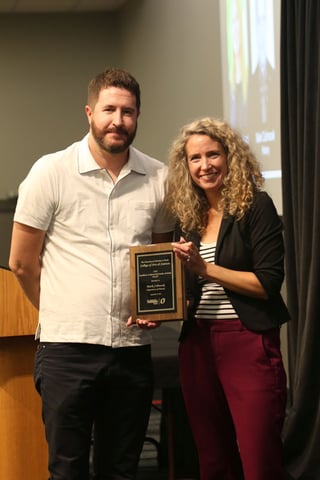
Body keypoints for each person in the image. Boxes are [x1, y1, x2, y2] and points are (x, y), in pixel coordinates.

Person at [9, 67, 174, 480]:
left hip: (132, 348)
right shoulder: (51, 171)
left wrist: (156, 303)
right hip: (68, 351)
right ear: (89, 112)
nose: (118, 120)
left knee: (122, 469)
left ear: (138, 116)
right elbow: (22, 263)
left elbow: (157, 258)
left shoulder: (159, 178)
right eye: (109, 110)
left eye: (128, 111)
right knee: (67, 470)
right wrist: (58, 310)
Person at [165, 117, 290, 480]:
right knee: (214, 462)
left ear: (230, 156)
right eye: (195, 158)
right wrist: (154, 311)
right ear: (185, 166)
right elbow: (184, 288)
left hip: (248, 342)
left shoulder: (257, 207)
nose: (205, 166)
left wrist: (207, 269)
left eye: (213, 154)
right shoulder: (188, 216)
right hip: (197, 345)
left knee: (259, 462)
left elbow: (267, 283)